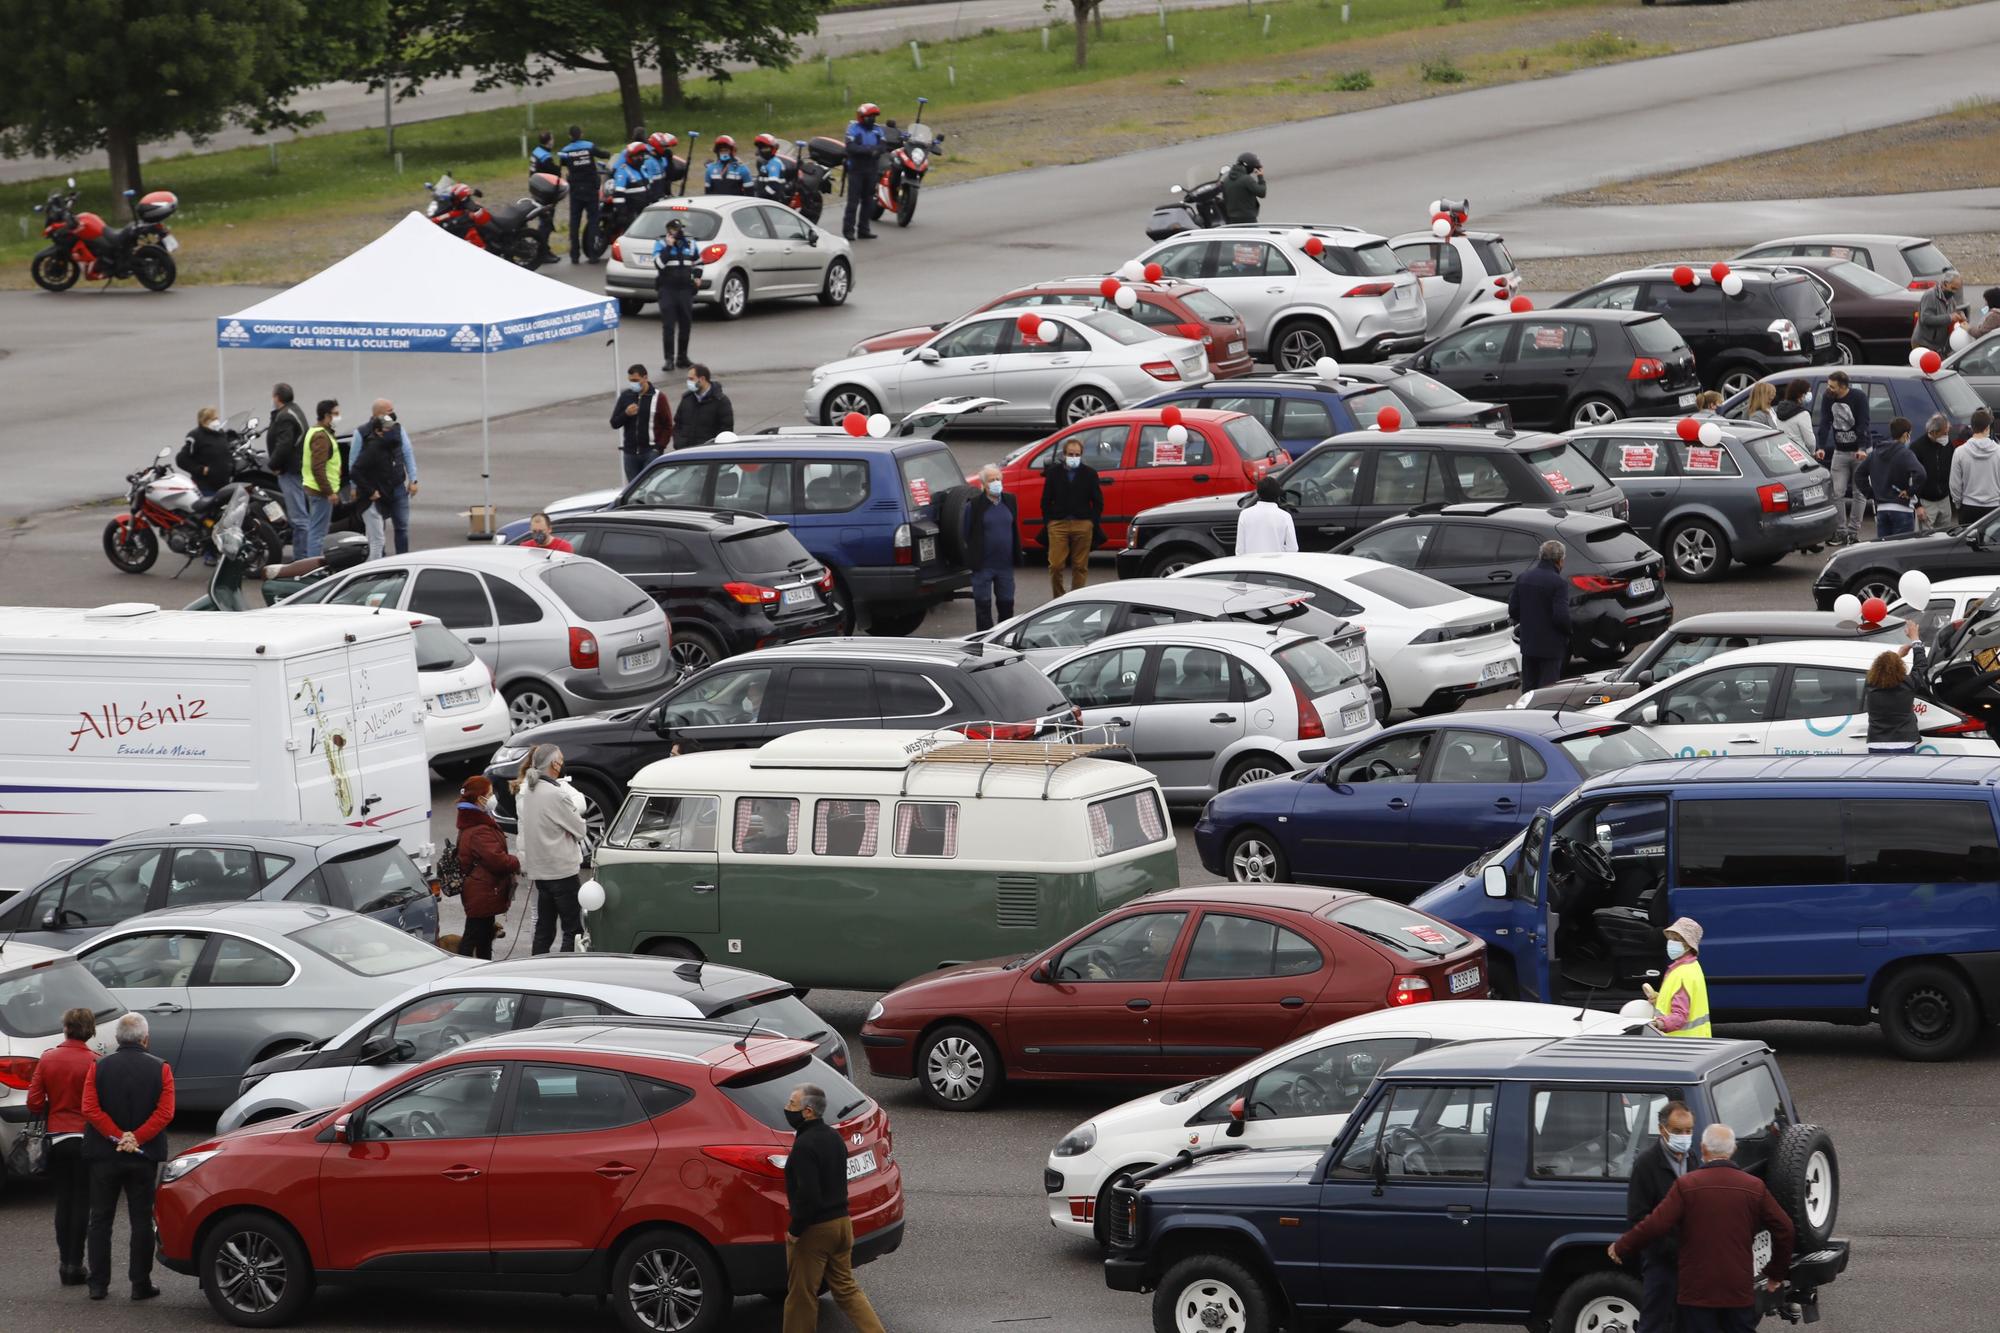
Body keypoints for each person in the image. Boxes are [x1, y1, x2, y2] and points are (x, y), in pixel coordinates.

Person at [1612, 1124, 1794, 1333]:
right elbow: (1785, 1229)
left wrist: (1622, 1246)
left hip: (1696, 1292)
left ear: (1703, 1149)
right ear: (1733, 1150)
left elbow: (1655, 1224)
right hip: (1737, 1289)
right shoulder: (1753, 1187)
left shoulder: (1686, 1186)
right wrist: (1776, 1273)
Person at [80, 1012, 174, 1302]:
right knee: (142, 1220)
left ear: (117, 1039)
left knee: (100, 1219)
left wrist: (116, 1135)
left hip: (104, 1154)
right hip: (143, 1155)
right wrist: (136, 1137)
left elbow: (90, 1109)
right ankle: (140, 1283)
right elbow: (165, 1112)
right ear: (146, 1038)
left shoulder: (99, 1067)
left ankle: (98, 1284)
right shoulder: (161, 1068)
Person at [782, 1083, 887, 1333]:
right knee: (847, 1290)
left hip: (815, 1231)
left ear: (807, 1112)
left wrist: (795, 1230)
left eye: (792, 1104)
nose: (787, 1108)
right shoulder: (833, 1138)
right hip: (842, 1226)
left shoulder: (805, 1146)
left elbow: (810, 1195)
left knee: (801, 1296)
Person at [27, 1006, 99, 1287]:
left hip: (56, 1138)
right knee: (82, 1202)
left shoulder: (48, 1059)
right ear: (90, 1030)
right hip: (85, 1138)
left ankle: (64, 1264)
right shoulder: (96, 1061)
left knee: (63, 1201)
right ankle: (76, 1263)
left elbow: (34, 1103)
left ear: (65, 1028)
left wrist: (53, 1105)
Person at [1626, 1099, 1696, 1333]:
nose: (1684, 1137)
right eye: (1677, 1131)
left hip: (1691, 1264)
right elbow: (1638, 1217)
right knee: (1654, 1323)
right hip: (1661, 1264)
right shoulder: (1646, 1165)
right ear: (1662, 1130)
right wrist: (1670, 1250)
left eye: (1688, 1131)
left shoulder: (1693, 1160)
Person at [515, 745, 587, 954]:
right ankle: (564, 971)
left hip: (541, 873)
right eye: (561, 759)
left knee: (544, 929)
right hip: (562, 871)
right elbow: (580, 829)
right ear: (555, 764)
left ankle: (538, 968)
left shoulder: (528, 791)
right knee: (573, 929)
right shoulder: (556, 794)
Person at [454, 775, 518, 960]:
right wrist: (518, 862)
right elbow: (497, 861)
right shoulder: (479, 829)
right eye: (489, 794)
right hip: (482, 893)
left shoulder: (475, 822)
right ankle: (464, 975)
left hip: (482, 892)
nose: (492, 798)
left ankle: (483, 972)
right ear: (479, 798)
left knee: (482, 939)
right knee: (473, 939)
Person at [1041, 434, 1104, 598]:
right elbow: (1045, 500)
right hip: (1058, 524)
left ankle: (1075, 598)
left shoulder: (1089, 474)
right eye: (1070, 454)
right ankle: (1059, 597)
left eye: (1077, 455)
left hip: (1082, 524)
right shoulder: (1054, 473)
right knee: (1055, 565)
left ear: (1081, 455)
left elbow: (1098, 502)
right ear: (1064, 455)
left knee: (1080, 566)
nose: (1073, 457)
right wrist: (1049, 522)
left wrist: (1092, 523)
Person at [1508, 539, 1572, 691]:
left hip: (1529, 643)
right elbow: (1561, 616)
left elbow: (1514, 610)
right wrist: (1568, 632)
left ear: (1541, 556)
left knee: (1529, 689)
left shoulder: (1523, 578)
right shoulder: (1558, 583)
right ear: (1559, 560)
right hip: (1551, 646)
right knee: (1547, 691)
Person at [1815, 371, 1870, 545]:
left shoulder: (1858, 397)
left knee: (1859, 493)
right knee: (1836, 492)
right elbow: (1825, 421)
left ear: (1843, 386)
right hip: (1840, 452)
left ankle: (1853, 532)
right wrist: (1821, 446)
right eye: (1828, 385)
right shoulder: (1828, 397)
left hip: (1858, 452)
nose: (1828, 389)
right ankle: (1841, 531)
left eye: (1832, 386)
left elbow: (1863, 423)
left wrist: (1861, 447)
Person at [350, 405, 409, 562]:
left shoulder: (385, 446)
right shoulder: (373, 448)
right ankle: (371, 574)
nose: (392, 432)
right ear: (378, 432)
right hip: (370, 502)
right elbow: (354, 471)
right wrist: (370, 491)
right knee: (377, 541)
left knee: (374, 539)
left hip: (378, 500)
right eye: (387, 429)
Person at [360, 399, 417, 554]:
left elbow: (407, 453)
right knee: (378, 532)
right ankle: (381, 562)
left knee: (402, 527)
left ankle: (403, 559)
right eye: (389, 411)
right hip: (377, 490)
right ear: (378, 414)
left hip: (397, 486)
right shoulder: (363, 432)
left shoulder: (398, 429)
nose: (393, 414)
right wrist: (355, 486)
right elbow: (354, 463)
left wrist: (413, 479)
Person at [966, 464, 1019, 631]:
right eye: (991, 480)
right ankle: (984, 639)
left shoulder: (1010, 500)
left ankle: (1003, 638)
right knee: (983, 606)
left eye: (998, 479)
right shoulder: (974, 505)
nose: (996, 483)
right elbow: (965, 531)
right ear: (983, 484)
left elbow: (1012, 526)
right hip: (983, 566)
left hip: (1005, 565)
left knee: (1007, 604)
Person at [1855, 416, 1925, 540]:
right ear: (1905, 435)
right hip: (1902, 509)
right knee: (1902, 552)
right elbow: (1921, 474)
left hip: (1882, 509)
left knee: (1884, 550)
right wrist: (1910, 491)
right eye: (1909, 434)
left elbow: (1859, 474)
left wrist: (1871, 493)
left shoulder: (1875, 454)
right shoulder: (1905, 454)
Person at [1865, 622, 1928, 752]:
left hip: (1877, 742)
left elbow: (1885, 670)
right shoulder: (1909, 683)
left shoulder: (1870, 684)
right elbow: (1921, 666)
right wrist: (1915, 639)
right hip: (1904, 741)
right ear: (1900, 666)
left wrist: (1897, 656)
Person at [1643, 917, 1711, 1037]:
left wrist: (1657, 1024)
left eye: (1676, 940)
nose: (1671, 943)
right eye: (1670, 939)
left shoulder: (1683, 974)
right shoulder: (1692, 966)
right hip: (1697, 1044)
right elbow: (1682, 1000)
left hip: (1683, 1045)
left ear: (1688, 945)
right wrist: (1659, 1000)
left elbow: (1679, 1016)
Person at [266, 383, 310, 557]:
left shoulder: (285, 417)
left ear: (277, 397)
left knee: (299, 518)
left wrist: (274, 465)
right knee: (300, 515)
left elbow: (284, 445)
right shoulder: (292, 410)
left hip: (290, 471)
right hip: (295, 468)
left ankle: (302, 558)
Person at [610, 363, 673, 482]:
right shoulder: (625, 396)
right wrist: (626, 414)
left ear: (645, 378)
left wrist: (659, 448)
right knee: (633, 489)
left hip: (650, 452)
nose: (633, 383)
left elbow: (668, 425)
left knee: (649, 486)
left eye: (636, 380)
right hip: (630, 453)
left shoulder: (658, 397)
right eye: (630, 380)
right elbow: (614, 423)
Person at [557, 125, 609, 264]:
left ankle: (574, 255)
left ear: (570, 136)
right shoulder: (589, 146)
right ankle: (592, 254)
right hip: (591, 189)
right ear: (581, 133)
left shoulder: (565, 150)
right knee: (593, 220)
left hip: (575, 190)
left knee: (574, 222)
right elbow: (603, 154)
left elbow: (561, 165)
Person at [653, 217, 699, 371]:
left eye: (678, 229)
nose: (676, 232)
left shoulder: (690, 244)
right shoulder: (660, 243)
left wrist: (696, 278)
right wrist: (668, 247)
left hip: (685, 290)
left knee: (686, 324)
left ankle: (682, 357)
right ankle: (669, 359)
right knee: (669, 326)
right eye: (673, 230)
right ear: (668, 230)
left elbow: (698, 263)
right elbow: (658, 265)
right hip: (667, 290)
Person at [300, 399, 341, 559]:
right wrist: (329, 491)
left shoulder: (317, 432)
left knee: (317, 530)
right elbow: (318, 467)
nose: (338, 417)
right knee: (318, 533)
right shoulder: (321, 437)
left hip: (316, 489)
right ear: (326, 416)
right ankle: (314, 568)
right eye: (335, 414)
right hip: (320, 492)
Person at [842, 103, 886, 241]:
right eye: (870, 116)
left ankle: (864, 229)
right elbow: (851, 147)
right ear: (862, 117)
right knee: (853, 202)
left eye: (874, 116)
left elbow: (883, 146)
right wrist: (869, 150)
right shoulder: (853, 128)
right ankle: (848, 231)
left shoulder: (878, 130)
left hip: (872, 169)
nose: (872, 119)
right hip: (856, 170)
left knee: (868, 201)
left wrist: (874, 150)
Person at [1951, 408, 2000, 529]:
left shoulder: (1960, 452)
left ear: (1972, 427)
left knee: (1966, 546)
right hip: (1994, 508)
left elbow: (1954, 484)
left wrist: (1958, 504)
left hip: (1968, 507)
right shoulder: (1998, 451)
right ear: (1988, 427)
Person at [673, 363, 734, 449]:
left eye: (691, 379)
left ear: (702, 379)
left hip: (707, 453)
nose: (689, 382)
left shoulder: (720, 401)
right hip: (685, 451)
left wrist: (713, 447)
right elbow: (678, 424)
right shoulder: (687, 399)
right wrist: (678, 443)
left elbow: (726, 429)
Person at [1913, 413, 1956, 531]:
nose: (1947, 436)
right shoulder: (1917, 448)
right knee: (1924, 540)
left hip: (1944, 500)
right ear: (1933, 432)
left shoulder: (1948, 445)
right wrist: (1918, 506)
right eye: (1944, 433)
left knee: (1945, 536)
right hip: (1926, 503)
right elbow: (1911, 479)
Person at [176, 406, 232, 496]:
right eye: (213, 419)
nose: (216, 421)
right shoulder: (196, 436)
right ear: (204, 421)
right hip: (206, 487)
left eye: (216, 418)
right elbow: (181, 459)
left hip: (223, 485)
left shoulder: (220, 434)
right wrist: (201, 470)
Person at [1235, 476, 1298, 555]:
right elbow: (1293, 549)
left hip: (1250, 565)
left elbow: (1240, 550)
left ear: (1258, 492)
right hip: (1276, 565)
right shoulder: (1285, 516)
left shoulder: (1244, 514)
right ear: (1278, 494)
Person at [1912, 270, 1965, 355]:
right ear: (1945, 284)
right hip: (1924, 344)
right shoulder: (1930, 296)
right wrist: (1950, 317)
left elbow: (1952, 313)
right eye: (1953, 288)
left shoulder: (1951, 299)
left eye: (1957, 290)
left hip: (1938, 346)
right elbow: (1926, 319)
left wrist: (1959, 315)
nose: (1954, 292)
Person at [1772, 379, 1815, 461]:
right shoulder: (1803, 414)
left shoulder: (1779, 410)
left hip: (1778, 455)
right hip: (1798, 456)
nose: (1809, 395)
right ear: (1800, 394)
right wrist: (1812, 453)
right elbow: (1810, 442)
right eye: (1808, 392)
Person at [1221, 151, 1265, 224]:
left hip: (1232, 219)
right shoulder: (1246, 179)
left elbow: (1225, 199)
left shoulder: (1226, 180)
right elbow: (1262, 192)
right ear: (1249, 167)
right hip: (1248, 219)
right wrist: (1260, 177)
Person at [642, 132, 679, 198]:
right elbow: (649, 185)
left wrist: (669, 160)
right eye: (665, 147)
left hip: (662, 194)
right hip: (653, 198)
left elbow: (669, 177)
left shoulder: (662, 159)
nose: (667, 150)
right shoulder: (648, 161)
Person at [753, 132, 790, 197]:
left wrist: (761, 197)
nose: (763, 150)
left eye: (766, 148)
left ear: (773, 148)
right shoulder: (765, 162)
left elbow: (773, 186)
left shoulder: (774, 163)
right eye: (761, 148)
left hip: (772, 200)